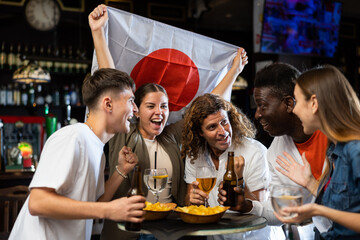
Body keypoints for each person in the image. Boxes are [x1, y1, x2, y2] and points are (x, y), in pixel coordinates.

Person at [88, 4, 248, 240]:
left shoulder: (172, 135)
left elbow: (207, 104)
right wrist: (98, 33)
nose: (159, 112)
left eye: (164, 106)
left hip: (169, 233)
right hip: (128, 232)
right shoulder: (124, 131)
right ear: (135, 110)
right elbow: (110, 84)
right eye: (151, 106)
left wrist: (233, 72)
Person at [9, 68, 146, 240]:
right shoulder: (73, 137)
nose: (135, 109)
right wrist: (110, 210)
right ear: (108, 104)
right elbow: (37, 203)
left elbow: (95, 207)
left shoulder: (96, 148)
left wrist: (121, 170)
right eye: (131, 100)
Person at [218, 63, 328, 239]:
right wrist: (247, 206)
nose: (257, 114)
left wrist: (312, 184)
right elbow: (283, 212)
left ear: (289, 104)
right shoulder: (277, 149)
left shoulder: (336, 136)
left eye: (262, 105)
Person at [274, 65, 360, 239]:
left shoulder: (355, 150)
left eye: (297, 101)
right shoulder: (334, 149)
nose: (294, 109)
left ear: (313, 103)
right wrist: (311, 183)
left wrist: (316, 210)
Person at [182, 93, 269, 208]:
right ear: (200, 132)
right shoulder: (194, 154)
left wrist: (239, 182)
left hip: (251, 226)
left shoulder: (255, 152)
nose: (223, 132)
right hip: (215, 225)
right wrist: (190, 200)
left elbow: (260, 208)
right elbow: (191, 201)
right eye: (212, 127)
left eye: (224, 122)